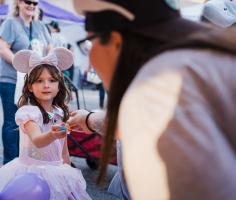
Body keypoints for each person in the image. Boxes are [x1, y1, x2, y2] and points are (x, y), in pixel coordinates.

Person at [72, 0, 236, 199]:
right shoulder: (203, 61)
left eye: (89, 43)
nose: (90, 57)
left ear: (116, 41)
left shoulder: (157, 86)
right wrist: (89, 119)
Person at [0, 47, 91, 200]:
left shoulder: (60, 113)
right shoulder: (28, 113)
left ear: (59, 85)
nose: (46, 85)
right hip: (30, 176)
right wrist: (52, 134)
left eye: (52, 80)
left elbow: (63, 150)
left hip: (57, 171)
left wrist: (67, 173)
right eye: (39, 81)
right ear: (30, 86)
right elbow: (37, 140)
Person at [0, 0, 51, 164]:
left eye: (35, 3)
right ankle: (10, 163)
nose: (32, 5)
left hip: (34, 82)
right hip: (11, 80)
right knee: (12, 122)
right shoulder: (10, 23)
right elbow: (1, 47)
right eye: (28, 2)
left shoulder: (40, 26)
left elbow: (49, 48)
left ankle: (28, 161)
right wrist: (20, 65)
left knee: (33, 120)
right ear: (18, 3)